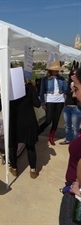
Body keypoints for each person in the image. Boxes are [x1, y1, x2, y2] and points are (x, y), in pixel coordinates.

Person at [0, 81, 41, 178]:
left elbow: (0, 107)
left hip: (13, 121)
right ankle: (33, 170)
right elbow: (37, 104)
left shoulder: (8, 90)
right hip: (28, 121)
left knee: (12, 146)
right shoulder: (29, 88)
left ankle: (14, 168)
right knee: (30, 146)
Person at [59, 68, 81, 225]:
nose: (74, 94)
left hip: (75, 195)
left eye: (77, 89)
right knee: (70, 128)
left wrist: (79, 188)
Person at [38, 61, 68, 145]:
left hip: (60, 100)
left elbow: (66, 90)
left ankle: (51, 137)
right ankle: (37, 132)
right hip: (50, 100)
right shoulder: (45, 79)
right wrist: (42, 103)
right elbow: (41, 91)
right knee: (48, 120)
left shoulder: (61, 79)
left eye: (58, 70)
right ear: (50, 70)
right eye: (55, 70)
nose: (57, 71)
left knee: (56, 120)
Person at [59, 70, 81, 145]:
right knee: (67, 126)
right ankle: (68, 139)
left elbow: (76, 97)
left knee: (75, 128)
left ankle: (75, 143)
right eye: (72, 74)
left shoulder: (79, 85)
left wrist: (74, 90)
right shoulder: (68, 84)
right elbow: (66, 93)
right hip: (67, 107)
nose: (73, 76)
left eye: (75, 74)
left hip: (76, 108)